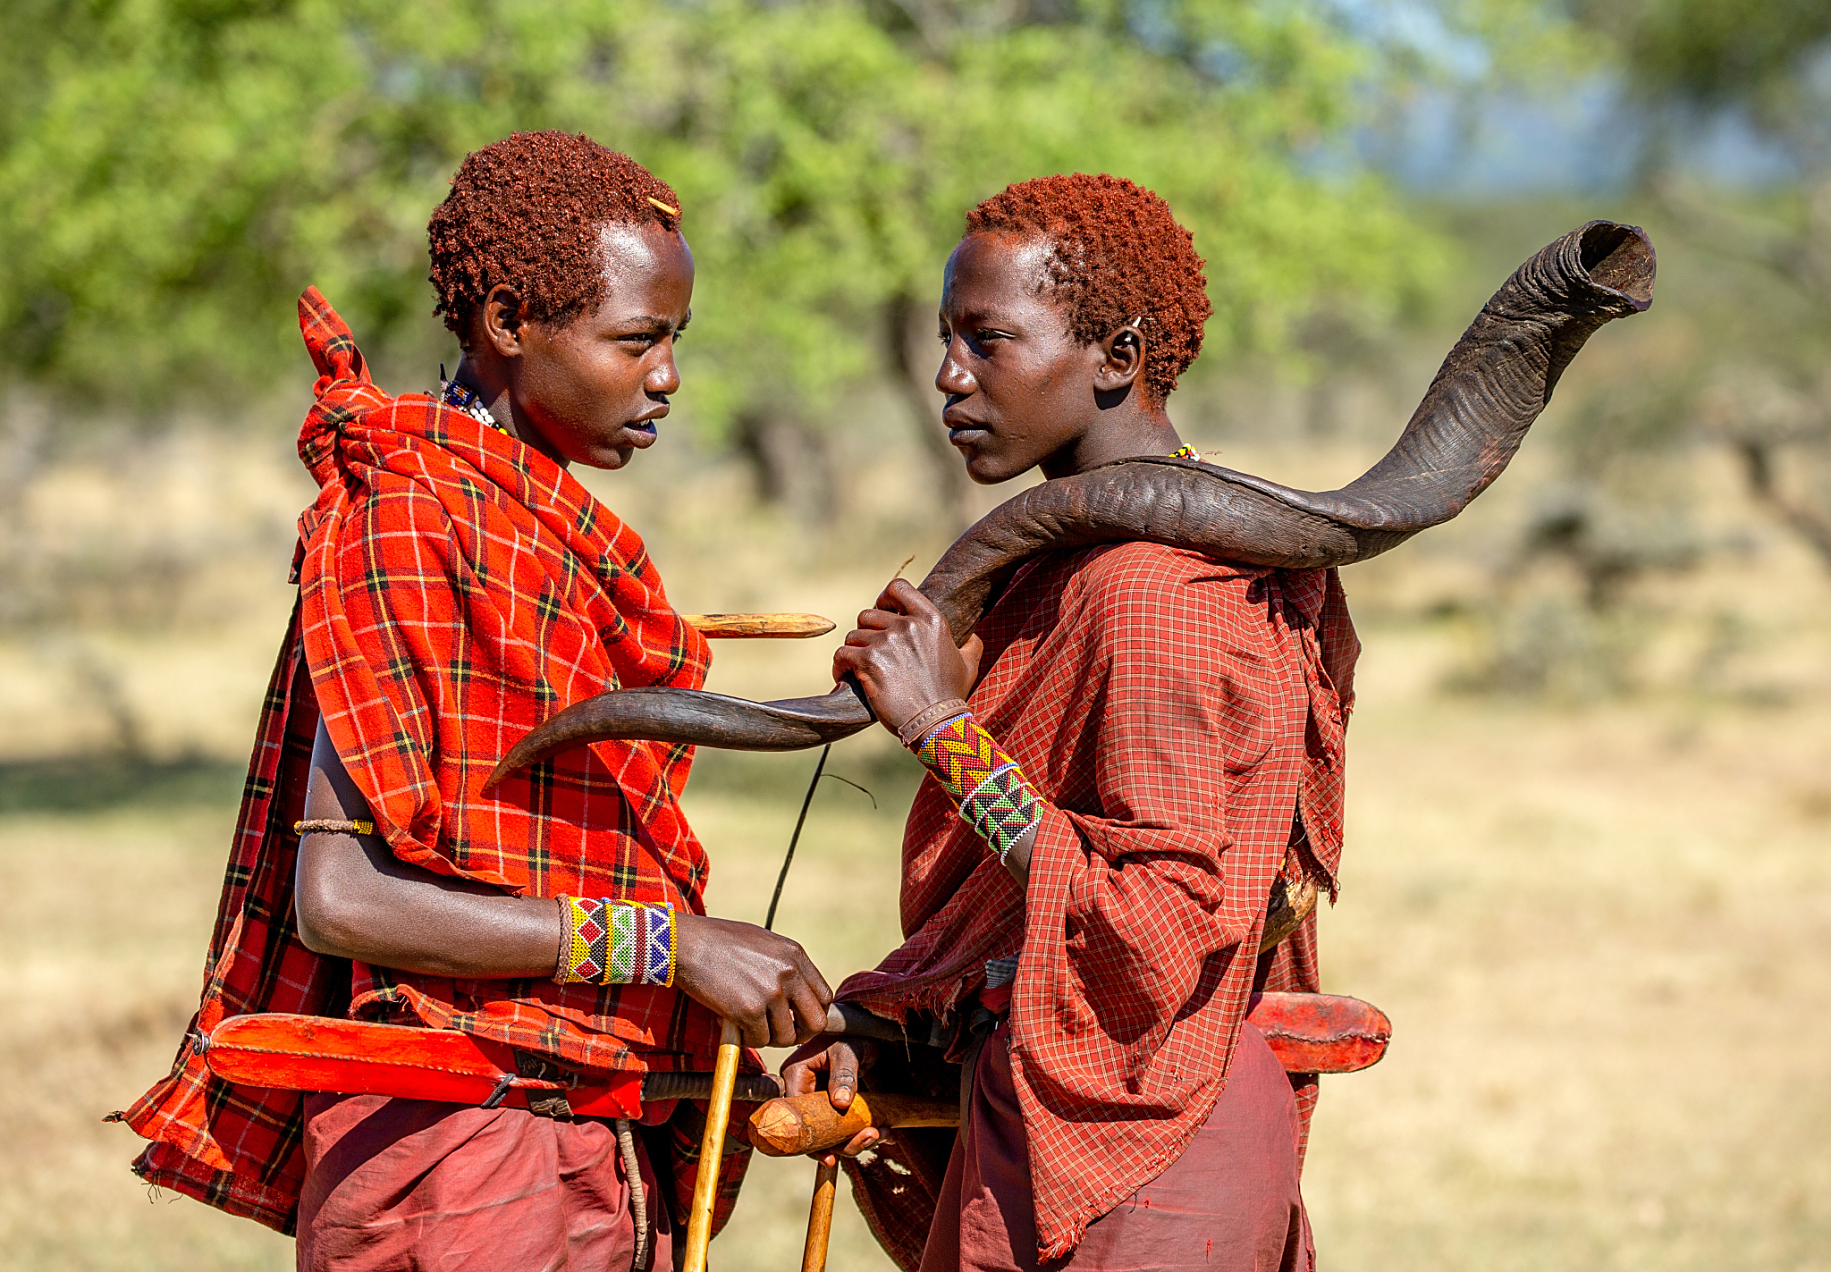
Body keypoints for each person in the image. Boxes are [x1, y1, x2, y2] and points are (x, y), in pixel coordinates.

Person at [116, 130, 833, 1271]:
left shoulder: (526, 527)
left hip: (566, 1147)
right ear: (508, 324)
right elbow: (341, 898)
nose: (667, 377)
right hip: (453, 1171)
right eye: (635, 340)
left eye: (673, 342)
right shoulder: (404, 522)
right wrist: (668, 944)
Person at [782, 174, 1358, 1272]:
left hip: (1143, 1143)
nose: (947, 377)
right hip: (1087, 1107)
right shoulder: (1077, 567)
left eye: (986, 340)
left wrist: (942, 726)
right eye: (945, 340)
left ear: (1118, 355)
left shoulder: (1152, 591)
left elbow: (1150, 925)